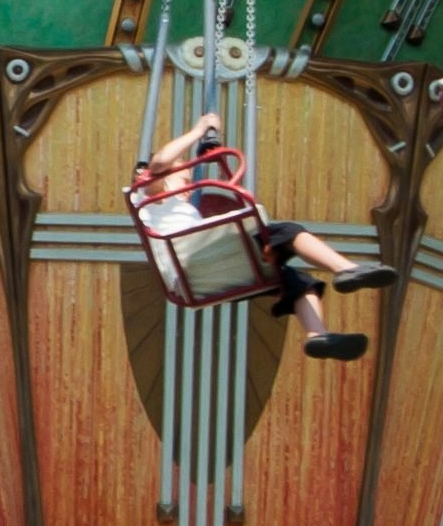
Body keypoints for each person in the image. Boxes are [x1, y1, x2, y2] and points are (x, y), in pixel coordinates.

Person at [139, 113, 397, 357]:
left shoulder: (180, 211)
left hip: (208, 271)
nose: (188, 184)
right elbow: (160, 163)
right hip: (192, 264)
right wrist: (199, 128)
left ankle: (317, 334)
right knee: (286, 231)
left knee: (297, 281)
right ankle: (345, 268)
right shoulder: (150, 196)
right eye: (183, 173)